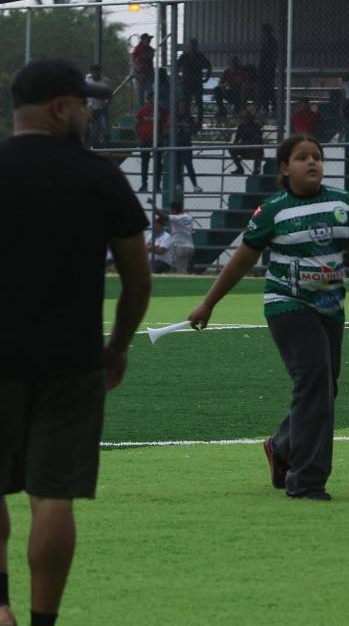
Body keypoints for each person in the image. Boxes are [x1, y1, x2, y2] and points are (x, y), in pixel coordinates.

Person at [1, 59, 151, 626]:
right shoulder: (100, 177)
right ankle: (43, 621)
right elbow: (137, 280)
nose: (88, 113)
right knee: (52, 493)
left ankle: (0, 605)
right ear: (60, 108)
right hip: (71, 359)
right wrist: (117, 346)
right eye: (83, 104)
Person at [187, 134, 349, 500]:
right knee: (314, 383)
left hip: (331, 308)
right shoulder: (273, 211)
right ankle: (306, 480)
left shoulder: (341, 205)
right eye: (301, 157)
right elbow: (242, 260)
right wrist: (208, 303)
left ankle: (282, 446)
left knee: (326, 388)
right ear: (284, 168)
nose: (312, 163)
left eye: (317, 156)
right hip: (288, 306)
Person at [133, 98, 166, 193]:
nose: (149, 104)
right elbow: (136, 124)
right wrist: (138, 137)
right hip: (145, 140)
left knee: (158, 164)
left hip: (157, 140)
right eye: (147, 102)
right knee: (145, 163)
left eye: (151, 102)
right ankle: (144, 184)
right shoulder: (142, 111)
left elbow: (163, 124)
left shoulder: (159, 111)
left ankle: (157, 186)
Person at [176, 39, 212, 122]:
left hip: (196, 82)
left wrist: (207, 78)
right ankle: (187, 119)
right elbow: (177, 67)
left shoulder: (200, 56)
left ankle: (199, 120)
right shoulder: (184, 56)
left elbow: (209, 67)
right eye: (191, 46)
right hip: (187, 82)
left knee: (198, 102)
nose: (192, 47)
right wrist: (179, 77)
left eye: (194, 46)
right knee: (187, 102)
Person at [230, 107, 263, 176]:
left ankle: (256, 169)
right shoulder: (241, 126)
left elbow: (259, 139)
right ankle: (240, 168)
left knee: (257, 148)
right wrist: (237, 144)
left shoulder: (256, 126)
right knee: (232, 149)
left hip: (254, 148)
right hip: (245, 147)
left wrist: (250, 143)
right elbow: (236, 139)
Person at [84, 65, 110, 148]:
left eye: (97, 72)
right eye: (93, 72)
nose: (95, 74)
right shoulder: (87, 80)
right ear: (91, 73)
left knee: (105, 129)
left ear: (99, 73)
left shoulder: (104, 81)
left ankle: (107, 147)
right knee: (89, 129)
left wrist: (107, 102)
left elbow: (109, 94)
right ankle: (90, 146)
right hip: (90, 109)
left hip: (101, 109)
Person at [166, 201, 195, 274]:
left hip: (180, 246)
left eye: (172, 209)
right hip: (190, 246)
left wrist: (153, 206)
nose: (171, 211)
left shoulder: (176, 217)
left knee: (180, 271)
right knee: (183, 269)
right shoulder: (189, 217)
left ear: (174, 209)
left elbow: (162, 216)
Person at [257, 24, 278, 116]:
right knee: (264, 88)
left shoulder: (271, 41)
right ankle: (267, 107)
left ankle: (272, 107)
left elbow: (273, 56)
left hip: (267, 69)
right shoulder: (267, 41)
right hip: (264, 68)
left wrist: (269, 67)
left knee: (268, 88)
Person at [131, 33, 154, 102]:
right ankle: (142, 107)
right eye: (147, 40)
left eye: (149, 40)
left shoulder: (150, 49)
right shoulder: (138, 49)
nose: (149, 41)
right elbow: (134, 60)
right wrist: (138, 68)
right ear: (143, 40)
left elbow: (150, 57)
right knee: (141, 92)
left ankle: (149, 104)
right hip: (140, 74)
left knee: (150, 91)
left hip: (148, 73)